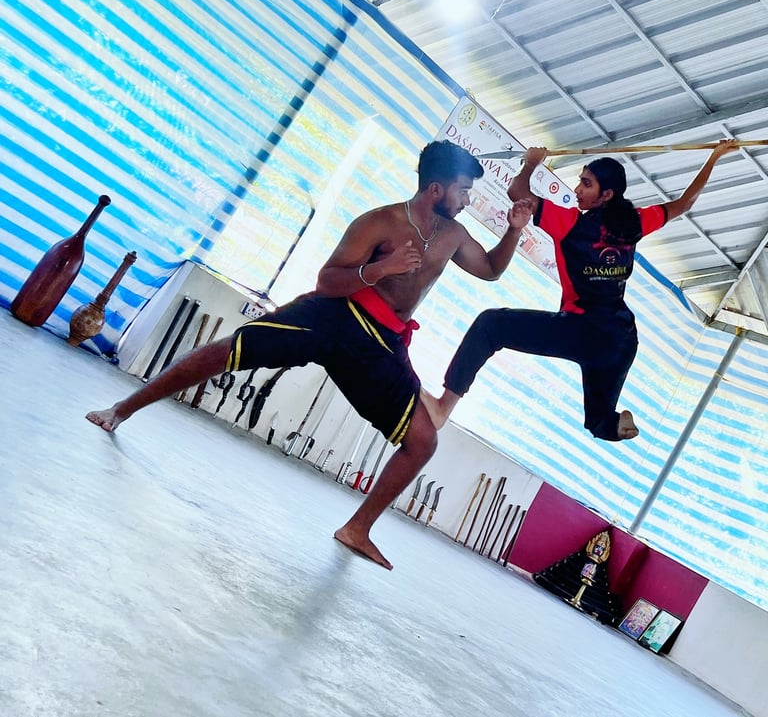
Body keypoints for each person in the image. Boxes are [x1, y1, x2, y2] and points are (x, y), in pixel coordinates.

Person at [86, 140, 535, 570]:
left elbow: (490, 270)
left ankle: (357, 529)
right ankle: (121, 410)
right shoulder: (378, 223)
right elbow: (327, 281)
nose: (466, 201)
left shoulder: (452, 234)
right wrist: (380, 268)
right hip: (333, 315)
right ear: (436, 189)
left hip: (381, 342)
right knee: (227, 350)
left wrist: (515, 230)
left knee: (422, 441)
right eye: (463, 191)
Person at [421, 139, 739, 441]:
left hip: (581, 329)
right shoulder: (636, 222)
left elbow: (517, 191)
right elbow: (684, 204)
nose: (577, 190)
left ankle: (443, 406)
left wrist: (531, 163)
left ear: (607, 194)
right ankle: (617, 424)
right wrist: (714, 158)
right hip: (622, 339)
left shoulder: (571, 223)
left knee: (491, 325)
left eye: (586, 184)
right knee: (599, 422)